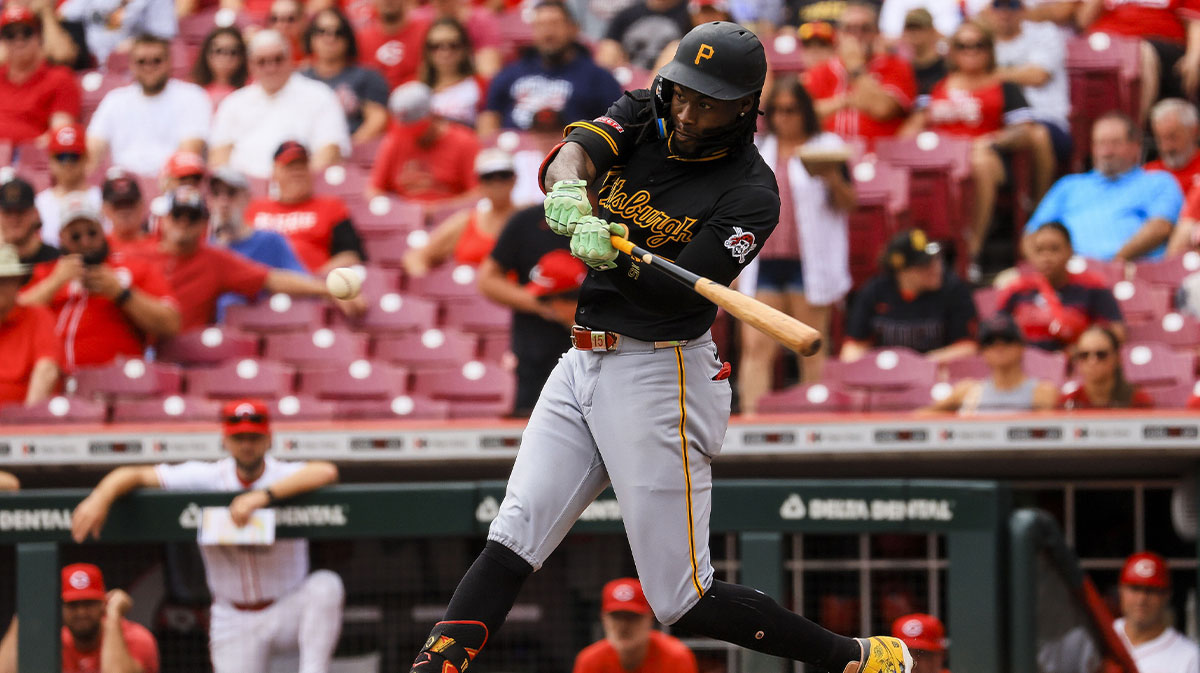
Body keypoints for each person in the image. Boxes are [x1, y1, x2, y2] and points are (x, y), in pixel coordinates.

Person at [405, 21, 912, 673]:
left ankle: (853, 658)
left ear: (743, 109)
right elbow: (578, 149)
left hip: (661, 368)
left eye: (710, 101)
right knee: (513, 534)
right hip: (580, 359)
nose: (691, 111)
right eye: (686, 92)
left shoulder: (751, 193)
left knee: (680, 598)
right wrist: (566, 186)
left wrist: (611, 251)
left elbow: (678, 297)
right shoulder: (647, 109)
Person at [70, 399, 345, 673]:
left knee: (326, 586)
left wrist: (262, 496)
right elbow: (136, 474)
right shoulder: (207, 476)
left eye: (254, 437)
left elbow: (326, 471)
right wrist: (100, 497)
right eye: (239, 438)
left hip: (286, 608)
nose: (247, 445)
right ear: (225, 441)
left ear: (268, 439)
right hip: (233, 616)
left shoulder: (282, 474)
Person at [739, 76, 854, 412]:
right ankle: (753, 420)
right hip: (765, 261)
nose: (784, 118)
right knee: (756, 347)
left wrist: (830, 176)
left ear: (805, 111)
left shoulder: (828, 146)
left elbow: (849, 204)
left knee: (811, 344)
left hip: (810, 262)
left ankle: (815, 419)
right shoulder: (758, 150)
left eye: (791, 110)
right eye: (777, 110)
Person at [899, 21, 1048, 262]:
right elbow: (913, 126)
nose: (971, 51)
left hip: (988, 158)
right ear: (953, 51)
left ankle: (971, 252)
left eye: (979, 45)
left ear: (990, 50)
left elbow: (1025, 130)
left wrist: (991, 140)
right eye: (963, 46)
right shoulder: (935, 86)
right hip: (939, 161)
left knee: (978, 162)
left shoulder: (1003, 86)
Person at [132, 186, 365, 329]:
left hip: (183, 354)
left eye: (191, 217)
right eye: (177, 215)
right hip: (139, 348)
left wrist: (329, 290)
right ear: (163, 220)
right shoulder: (138, 255)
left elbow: (270, 278)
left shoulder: (214, 260)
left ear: (204, 223)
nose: (183, 223)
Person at [20, 192, 181, 370]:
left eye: (92, 232)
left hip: (116, 382)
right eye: (75, 236)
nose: (85, 241)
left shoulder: (134, 269)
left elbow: (171, 324)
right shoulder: (47, 273)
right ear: (61, 238)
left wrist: (121, 294)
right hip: (55, 382)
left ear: (103, 232)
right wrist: (54, 283)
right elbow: (10, 313)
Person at [1025, 112, 1183, 263]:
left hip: (1133, 273)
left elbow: (1161, 227)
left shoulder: (1159, 182)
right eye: (1100, 143)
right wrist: (1046, 268)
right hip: (1068, 275)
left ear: (1136, 146)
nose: (1106, 152)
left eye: (1115, 143)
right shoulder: (1068, 185)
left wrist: (1114, 262)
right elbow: (1030, 235)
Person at [210, 29, 352, 179]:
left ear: (290, 58)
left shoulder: (319, 95)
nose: (271, 68)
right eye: (262, 62)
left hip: (300, 191)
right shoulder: (234, 102)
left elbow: (329, 150)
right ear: (250, 64)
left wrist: (292, 186)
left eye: (278, 59)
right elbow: (219, 155)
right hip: (244, 193)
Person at [477, 204, 576, 417]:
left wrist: (578, 316)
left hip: (594, 359)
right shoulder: (528, 220)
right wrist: (544, 307)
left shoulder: (614, 217)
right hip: (535, 358)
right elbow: (487, 279)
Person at [477, 1, 623, 136]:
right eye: (540, 25)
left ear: (573, 28)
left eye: (555, 24)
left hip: (573, 154)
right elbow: (489, 119)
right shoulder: (510, 74)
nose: (548, 33)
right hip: (515, 155)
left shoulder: (598, 78)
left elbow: (616, 128)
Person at [842, 229, 978, 363]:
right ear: (902, 271)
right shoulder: (875, 292)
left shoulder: (954, 289)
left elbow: (968, 347)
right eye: (924, 265)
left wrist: (918, 365)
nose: (936, 268)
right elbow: (852, 349)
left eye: (936, 259)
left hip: (938, 375)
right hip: (886, 376)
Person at [86, 34, 211, 178]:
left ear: (169, 62)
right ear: (131, 65)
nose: (149, 67)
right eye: (142, 62)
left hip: (171, 181)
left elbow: (189, 154)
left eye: (156, 61)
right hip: (123, 186)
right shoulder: (115, 100)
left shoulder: (192, 96)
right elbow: (93, 150)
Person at [0, 563, 160, 673]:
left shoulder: (135, 638)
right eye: (73, 605)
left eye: (89, 603)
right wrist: (25, 612)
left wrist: (113, 615)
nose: (81, 612)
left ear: (103, 603)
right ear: (60, 607)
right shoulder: (55, 643)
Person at [998, 221, 1124, 351]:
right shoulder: (1018, 289)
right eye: (1039, 250)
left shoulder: (1092, 287)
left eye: (1054, 249)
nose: (1046, 257)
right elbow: (997, 333)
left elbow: (1118, 333)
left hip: (1078, 363)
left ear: (1069, 250)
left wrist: (1083, 345)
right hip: (1025, 364)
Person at [246, 141, 368, 274]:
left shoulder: (331, 207)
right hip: (262, 286)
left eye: (302, 166)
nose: (297, 172)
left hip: (314, 286)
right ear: (274, 172)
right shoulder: (253, 209)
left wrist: (314, 282)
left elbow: (350, 255)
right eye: (290, 167)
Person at [804, 2, 917, 144]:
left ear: (877, 33)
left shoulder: (896, 66)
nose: (857, 35)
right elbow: (804, 115)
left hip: (878, 156)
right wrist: (846, 101)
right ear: (839, 34)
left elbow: (882, 109)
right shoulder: (821, 71)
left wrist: (856, 67)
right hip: (828, 155)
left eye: (865, 29)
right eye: (850, 29)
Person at [209, 166, 308, 321]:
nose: (223, 202)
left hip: (263, 325)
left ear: (247, 198)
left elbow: (302, 281)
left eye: (231, 193)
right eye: (216, 194)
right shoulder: (207, 248)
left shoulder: (270, 240)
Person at [402, 148, 518, 277]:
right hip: (465, 293)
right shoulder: (465, 222)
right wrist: (431, 286)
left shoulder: (530, 220)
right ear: (479, 182)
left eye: (503, 175)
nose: (497, 183)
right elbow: (415, 257)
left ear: (514, 178)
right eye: (488, 177)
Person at [1075, 0, 1200, 117]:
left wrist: (1194, 55)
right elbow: (1083, 21)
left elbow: (1195, 20)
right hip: (1108, 43)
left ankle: (1130, 131)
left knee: (1139, 54)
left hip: (1158, 45)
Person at [990, 0, 1073, 171]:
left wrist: (989, 74)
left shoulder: (1044, 32)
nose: (1005, 12)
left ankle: (1040, 197)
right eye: (998, 6)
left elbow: (1038, 76)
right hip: (1000, 121)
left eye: (1012, 5)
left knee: (1036, 135)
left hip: (1045, 117)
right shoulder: (983, 41)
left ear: (1023, 8)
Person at [922, 313, 1058, 414]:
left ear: (1021, 346)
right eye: (990, 342)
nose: (999, 347)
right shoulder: (966, 391)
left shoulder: (1042, 392)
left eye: (1007, 339)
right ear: (983, 352)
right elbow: (919, 418)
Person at [367, 82, 481, 202]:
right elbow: (374, 191)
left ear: (433, 114)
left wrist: (438, 210)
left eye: (417, 128)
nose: (413, 136)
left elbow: (477, 194)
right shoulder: (394, 141)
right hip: (404, 216)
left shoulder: (464, 142)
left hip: (451, 216)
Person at [301, 7, 391, 145]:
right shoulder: (300, 79)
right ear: (311, 37)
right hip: (302, 152)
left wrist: (346, 149)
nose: (330, 38)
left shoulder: (366, 76)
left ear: (348, 39)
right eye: (321, 31)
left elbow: (377, 119)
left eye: (338, 33)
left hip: (350, 152)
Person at [572, 577, 699, 673]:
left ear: (649, 619)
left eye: (632, 617)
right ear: (604, 619)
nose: (623, 625)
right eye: (616, 617)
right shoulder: (589, 661)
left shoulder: (675, 657)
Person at [0, 5, 80, 145]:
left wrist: (26, 151)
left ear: (39, 36)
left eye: (26, 32)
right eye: (10, 35)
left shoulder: (60, 78)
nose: (19, 40)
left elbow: (60, 133)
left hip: (31, 160)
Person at [1113, 551, 1200, 673]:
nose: (1141, 599)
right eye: (1135, 588)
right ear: (1120, 590)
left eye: (1151, 590)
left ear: (1167, 595)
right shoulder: (1097, 637)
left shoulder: (1190, 657)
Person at [0, 243, 59, 406]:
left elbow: (47, 370)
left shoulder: (38, 316)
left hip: (22, 422)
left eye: (5, 280)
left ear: (18, 282)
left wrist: (26, 419)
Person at [35, 124, 103, 248]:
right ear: (50, 160)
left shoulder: (102, 198)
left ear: (86, 158)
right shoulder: (39, 203)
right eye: (61, 156)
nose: (67, 163)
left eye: (74, 156)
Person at [1060, 325, 1154, 409]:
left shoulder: (1138, 401)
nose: (1092, 361)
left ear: (1117, 358)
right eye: (1084, 355)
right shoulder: (1069, 402)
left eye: (1101, 355)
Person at [58, 0, 176, 66]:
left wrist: (136, 43)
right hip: (92, 65)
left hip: (132, 67)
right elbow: (62, 15)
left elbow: (164, 36)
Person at [419, 17, 488, 127]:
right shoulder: (416, 90)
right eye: (435, 46)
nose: (445, 52)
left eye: (453, 45)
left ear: (465, 48)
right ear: (427, 51)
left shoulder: (480, 86)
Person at [408, 0, 503, 78]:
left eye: (453, 45)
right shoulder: (416, 19)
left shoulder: (482, 19)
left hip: (468, 86)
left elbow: (488, 72)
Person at [355, 0, 430, 90]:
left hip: (417, 95)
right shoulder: (361, 39)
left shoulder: (426, 32)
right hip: (376, 98)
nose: (388, 1)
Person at [595, 0, 691, 70]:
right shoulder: (626, 15)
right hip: (630, 77)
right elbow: (607, 53)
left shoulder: (692, 14)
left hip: (670, 81)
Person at [1145, 98, 1200, 195]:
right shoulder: (1148, 173)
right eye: (1160, 139)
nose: (1166, 147)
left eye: (1173, 137)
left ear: (1194, 131)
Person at [0, 177, 59, 266]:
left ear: (35, 214)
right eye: (8, 212)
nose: (14, 219)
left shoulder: (55, 261)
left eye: (21, 211)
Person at [191, 26, 249, 110]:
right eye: (219, 51)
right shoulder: (194, 90)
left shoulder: (251, 88)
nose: (226, 57)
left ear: (242, 56)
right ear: (207, 54)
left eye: (233, 52)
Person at [900, 9, 946, 98]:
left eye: (919, 27)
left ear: (932, 31)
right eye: (910, 28)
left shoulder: (946, 67)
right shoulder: (903, 68)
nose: (914, 32)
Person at [101, 172, 151, 252]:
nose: (124, 211)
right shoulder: (99, 248)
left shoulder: (162, 246)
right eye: (118, 205)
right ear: (104, 208)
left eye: (130, 203)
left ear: (142, 204)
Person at [267, 0, 307, 65]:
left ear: (303, 20)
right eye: (275, 19)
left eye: (290, 19)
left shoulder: (315, 49)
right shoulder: (261, 51)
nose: (282, 25)